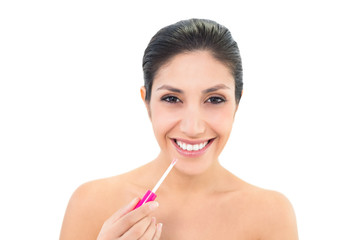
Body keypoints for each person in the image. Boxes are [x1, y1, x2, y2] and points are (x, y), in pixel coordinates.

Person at [59, 18, 298, 240]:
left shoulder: (272, 214)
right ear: (147, 102)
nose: (192, 128)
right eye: (172, 99)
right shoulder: (90, 203)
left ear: (237, 103)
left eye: (215, 99)